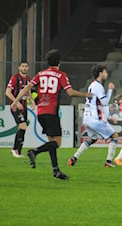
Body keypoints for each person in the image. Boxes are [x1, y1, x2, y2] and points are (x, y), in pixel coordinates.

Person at [10, 49, 92, 180]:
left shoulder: (41, 74)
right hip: (51, 111)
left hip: (40, 112)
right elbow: (70, 92)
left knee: (51, 142)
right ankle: (34, 152)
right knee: (57, 143)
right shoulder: (61, 75)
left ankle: (56, 170)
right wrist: (85, 94)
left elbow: (27, 88)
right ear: (59, 61)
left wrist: (15, 101)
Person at [68, 64, 119, 168]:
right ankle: (108, 161)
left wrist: (109, 116)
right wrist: (110, 90)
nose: (106, 74)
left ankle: (74, 158)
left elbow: (101, 104)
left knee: (92, 138)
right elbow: (104, 102)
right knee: (114, 136)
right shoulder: (98, 86)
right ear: (100, 73)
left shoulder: (92, 85)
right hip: (95, 119)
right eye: (105, 72)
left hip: (87, 118)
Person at [5, 61, 35, 158]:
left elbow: (28, 91)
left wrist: (32, 100)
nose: (24, 68)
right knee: (23, 126)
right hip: (15, 107)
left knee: (23, 128)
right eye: (23, 66)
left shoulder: (28, 79)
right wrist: (16, 102)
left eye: (26, 66)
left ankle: (19, 151)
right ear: (19, 68)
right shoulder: (15, 78)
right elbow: (8, 92)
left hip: (24, 107)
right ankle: (14, 149)